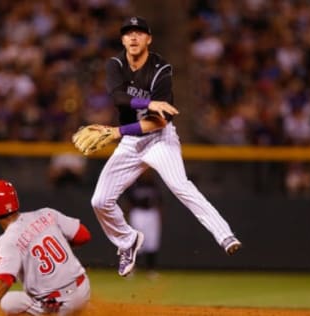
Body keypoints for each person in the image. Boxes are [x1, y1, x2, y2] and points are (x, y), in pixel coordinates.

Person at [90, 16, 242, 277]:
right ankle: (127, 241)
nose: (134, 37)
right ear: (123, 39)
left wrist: (118, 130)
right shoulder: (115, 64)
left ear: (148, 39)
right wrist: (148, 104)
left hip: (159, 139)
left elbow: (159, 122)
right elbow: (117, 96)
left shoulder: (161, 69)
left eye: (139, 33)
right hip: (130, 142)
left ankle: (224, 234)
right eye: (128, 33)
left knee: (180, 186)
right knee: (100, 201)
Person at [0, 179, 91, 316]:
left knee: (9, 303)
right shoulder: (47, 213)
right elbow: (83, 235)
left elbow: (5, 279)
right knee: (14, 302)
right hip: (83, 290)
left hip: (57, 305)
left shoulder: (8, 239)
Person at [126, 170, 163, 277]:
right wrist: (128, 217)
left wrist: (160, 217)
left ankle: (151, 269)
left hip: (151, 213)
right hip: (137, 213)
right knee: (136, 241)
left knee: (152, 242)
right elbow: (128, 202)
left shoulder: (154, 184)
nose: (146, 173)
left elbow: (160, 202)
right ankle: (132, 268)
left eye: (148, 171)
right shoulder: (134, 184)